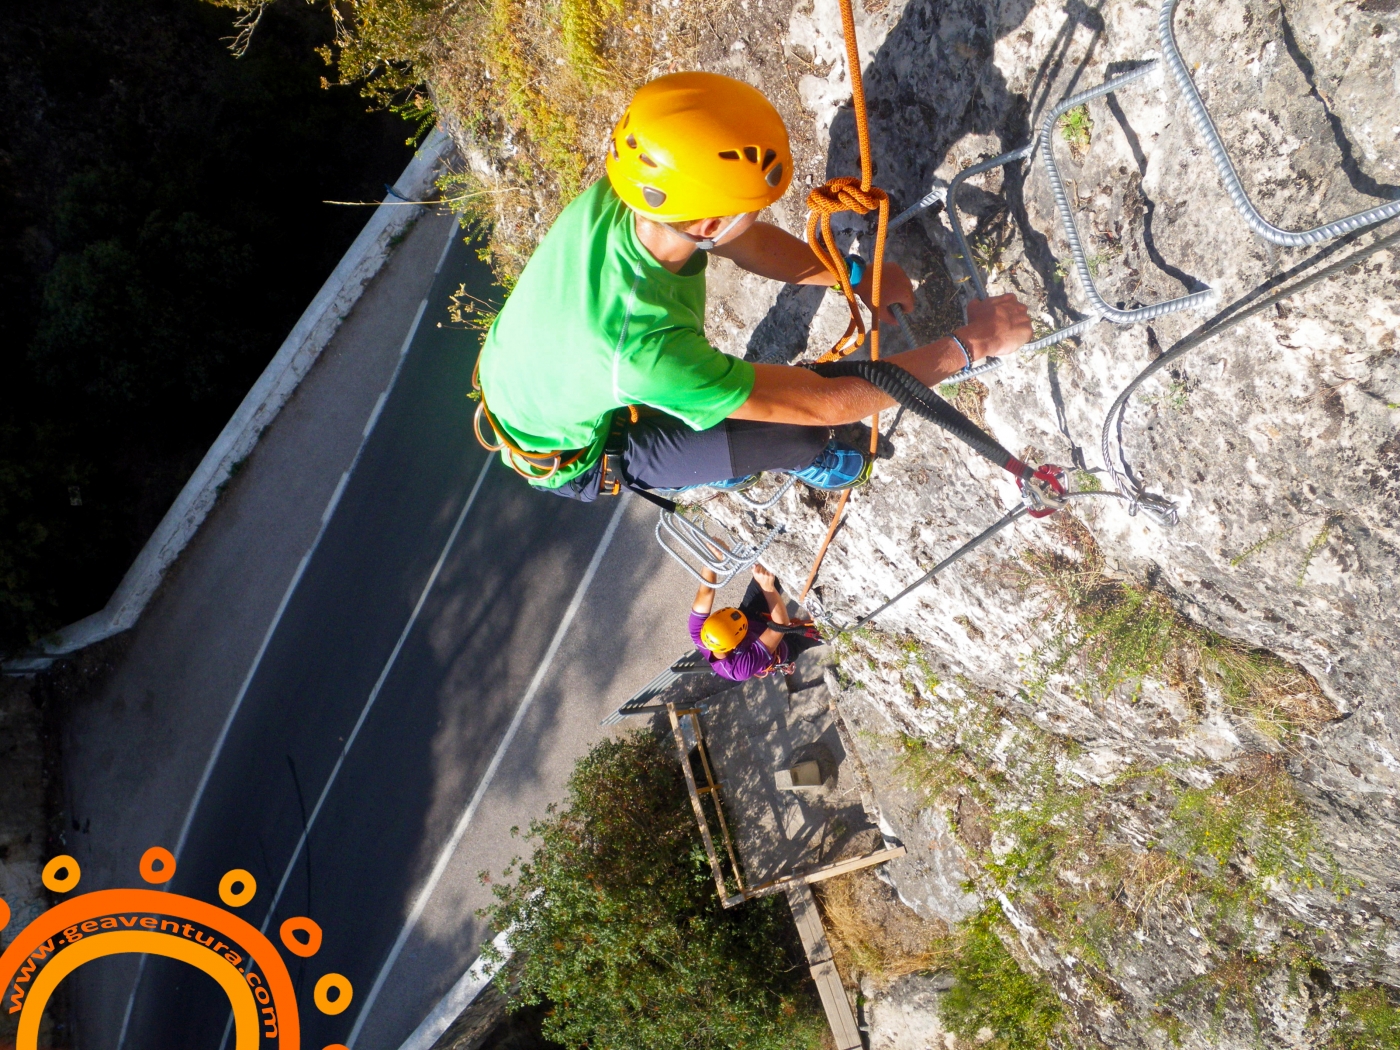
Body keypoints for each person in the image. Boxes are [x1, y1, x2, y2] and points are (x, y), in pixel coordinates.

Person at [474, 71, 1032, 501]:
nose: (759, 217)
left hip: (533, 377)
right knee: (799, 438)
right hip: (575, 452)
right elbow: (822, 405)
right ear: (708, 222)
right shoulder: (642, 353)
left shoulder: (631, 195)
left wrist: (855, 278)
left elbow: (749, 244)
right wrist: (972, 344)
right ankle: (719, 469)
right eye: (752, 208)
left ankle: (707, 449)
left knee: (751, 409)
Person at [690, 564, 819, 681]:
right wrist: (768, 587)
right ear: (736, 644)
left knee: (769, 567)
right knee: (826, 630)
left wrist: (712, 562)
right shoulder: (740, 669)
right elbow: (780, 626)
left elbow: (705, 593)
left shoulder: (698, 632)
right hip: (784, 647)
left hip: (751, 614)